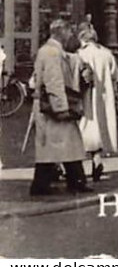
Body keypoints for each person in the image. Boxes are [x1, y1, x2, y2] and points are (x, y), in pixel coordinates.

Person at [31, 18, 91, 195]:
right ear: (62, 31)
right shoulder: (51, 53)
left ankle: (71, 181)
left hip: (50, 106)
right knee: (59, 146)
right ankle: (66, 182)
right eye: (69, 31)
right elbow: (54, 82)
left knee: (57, 147)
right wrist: (61, 108)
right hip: (53, 108)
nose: (71, 35)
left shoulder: (51, 50)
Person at [76, 24, 118, 182]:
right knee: (101, 127)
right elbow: (116, 75)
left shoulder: (80, 54)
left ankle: (77, 168)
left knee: (83, 129)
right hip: (103, 97)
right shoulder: (107, 54)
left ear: (82, 39)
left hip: (85, 97)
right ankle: (97, 160)